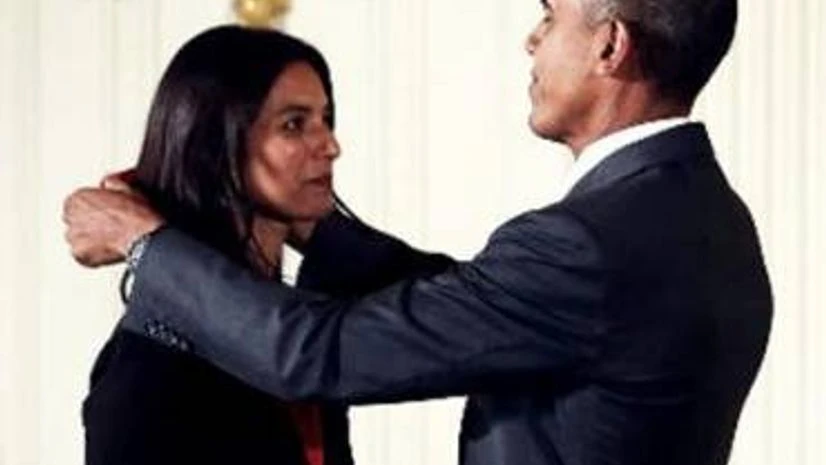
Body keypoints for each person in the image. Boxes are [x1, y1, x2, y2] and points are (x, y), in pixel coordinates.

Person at [64, 1, 773, 464]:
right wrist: (322, 234)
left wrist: (144, 241)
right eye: (294, 124)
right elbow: (484, 302)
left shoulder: (587, 246)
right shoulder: (711, 221)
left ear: (610, 45)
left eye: (549, 15)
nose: (531, 38)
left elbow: (316, 352)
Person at [77, 25, 360, 465]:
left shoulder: (298, 334)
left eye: (326, 120)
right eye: (294, 124)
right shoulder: (152, 369)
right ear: (215, 144)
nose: (330, 146)